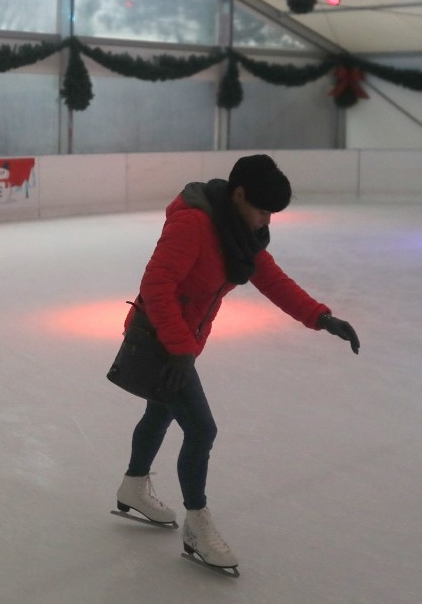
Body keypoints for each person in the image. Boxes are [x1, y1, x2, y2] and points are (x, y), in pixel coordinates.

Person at [114, 154, 359, 572]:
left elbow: (273, 280)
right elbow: (156, 285)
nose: (266, 221)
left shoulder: (239, 232)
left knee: (160, 411)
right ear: (239, 194)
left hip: (181, 343)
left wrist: (321, 317)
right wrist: (179, 347)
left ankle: (133, 485)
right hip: (160, 338)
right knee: (201, 428)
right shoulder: (193, 223)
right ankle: (197, 525)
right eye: (263, 210)